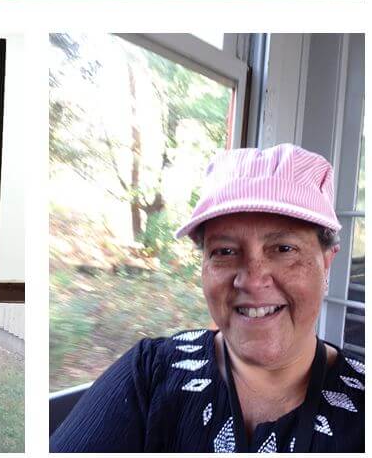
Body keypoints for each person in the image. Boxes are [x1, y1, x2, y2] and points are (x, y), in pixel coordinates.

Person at [51, 144, 364, 453]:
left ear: (326, 262)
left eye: (284, 249)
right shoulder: (149, 376)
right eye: (224, 251)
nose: (252, 280)